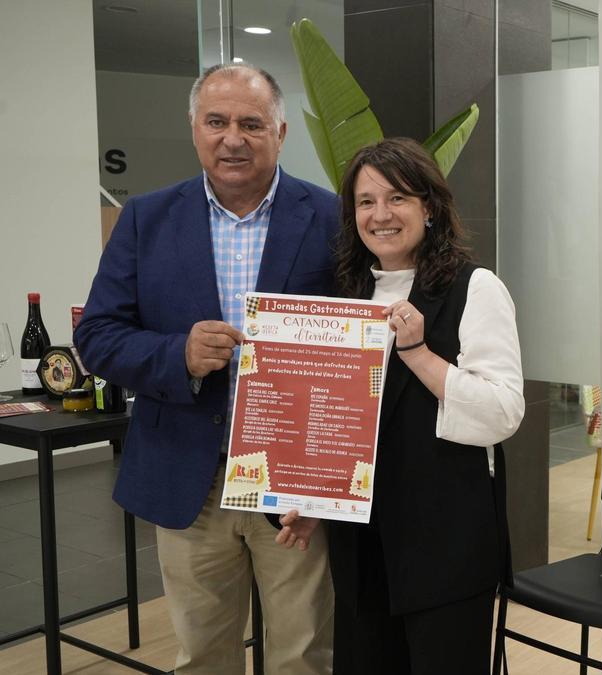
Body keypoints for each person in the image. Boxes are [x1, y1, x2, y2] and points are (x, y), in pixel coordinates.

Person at [76, 63, 338, 674]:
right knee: (202, 657)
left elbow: (357, 348)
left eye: (251, 123)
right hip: (189, 482)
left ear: (280, 132)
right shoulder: (145, 219)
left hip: (292, 483)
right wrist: (178, 356)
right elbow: (97, 336)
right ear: (194, 128)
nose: (233, 138)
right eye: (216, 121)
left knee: (304, 654)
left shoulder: (331, 218)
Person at [275, 137, 524, 674]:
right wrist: (319, 501)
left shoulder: (475, 288)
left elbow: (503, 413)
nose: (380, 215)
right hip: (364, 547)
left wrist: (417, 352)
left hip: (446, 544)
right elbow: (341, 425)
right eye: (366, 202)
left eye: (397, 199)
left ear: (429, 208)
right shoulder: (347, 296)